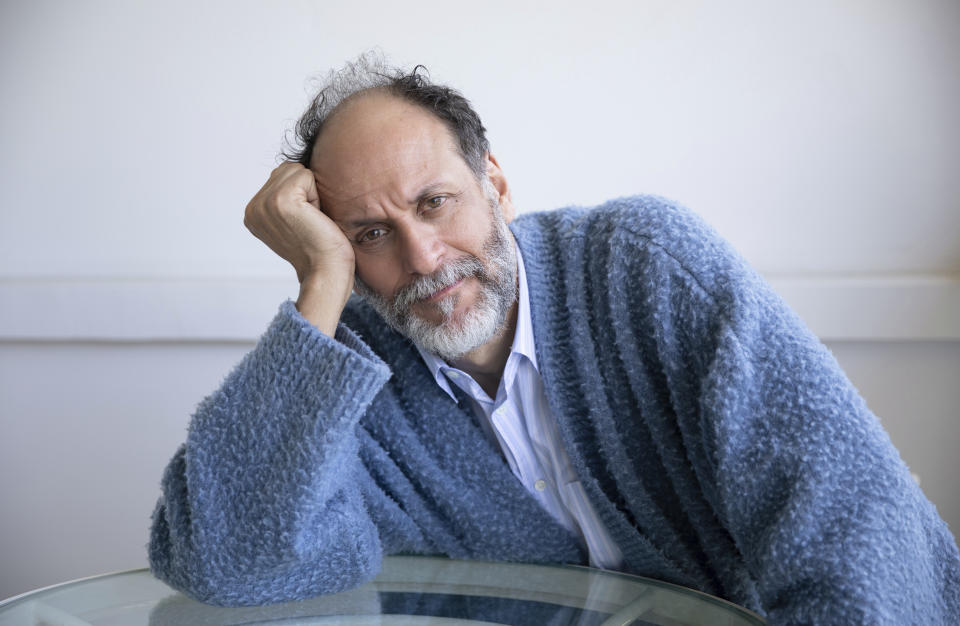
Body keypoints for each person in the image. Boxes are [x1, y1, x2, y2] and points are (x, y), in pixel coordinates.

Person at [148, 53, 960, 623]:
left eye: (435, 202)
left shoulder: (645, 267)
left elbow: (850, 523)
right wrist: (318, 285)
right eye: (368, 234)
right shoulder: (346, 375)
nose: (423, 258)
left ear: (494, 182)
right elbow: (230, 565)